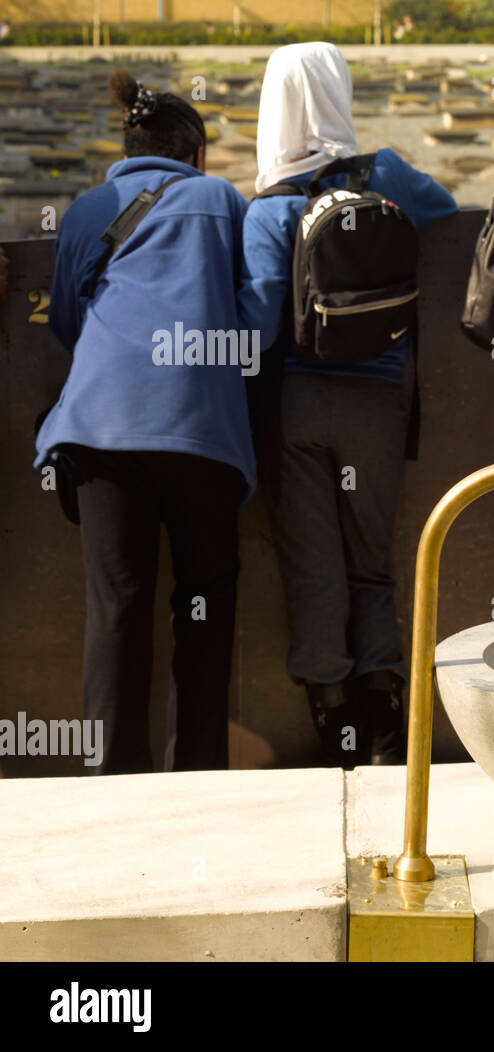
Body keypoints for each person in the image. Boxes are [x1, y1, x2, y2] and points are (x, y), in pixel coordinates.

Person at [240, 42, 457, 768]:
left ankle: (333, 721)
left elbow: (263, 322)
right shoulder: (386, 175)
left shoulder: (268, 209)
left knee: (312, 563)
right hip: (378, 403)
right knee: (373, 564)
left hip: (298, 407)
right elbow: (446, 209)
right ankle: (388, 720)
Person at [35, 71, 253, 774]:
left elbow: (66, 320)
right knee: (205, 602)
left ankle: (110, 781)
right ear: (196, 155)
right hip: (202, 428)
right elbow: (250, 310)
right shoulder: (222, 201)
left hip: (103, 429)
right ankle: (196, 772)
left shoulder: (89, 206)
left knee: (118, 607)